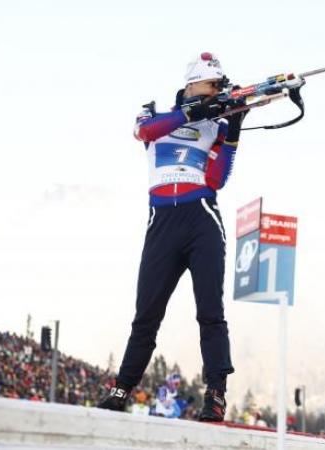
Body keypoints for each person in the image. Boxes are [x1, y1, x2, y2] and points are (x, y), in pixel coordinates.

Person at [98, 52, 247, 422]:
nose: (218, 90)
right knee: (146, 314)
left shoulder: (217, 125)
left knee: (210, 312)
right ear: (194, 83)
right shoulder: (154, 116)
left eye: (220, 86)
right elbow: (145, 133)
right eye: (213, 84)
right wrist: (190, 113)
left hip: (201, 217)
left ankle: (216, 395)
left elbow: (217, 180)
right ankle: (121, 390)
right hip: (162, 221)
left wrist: (235, 130)